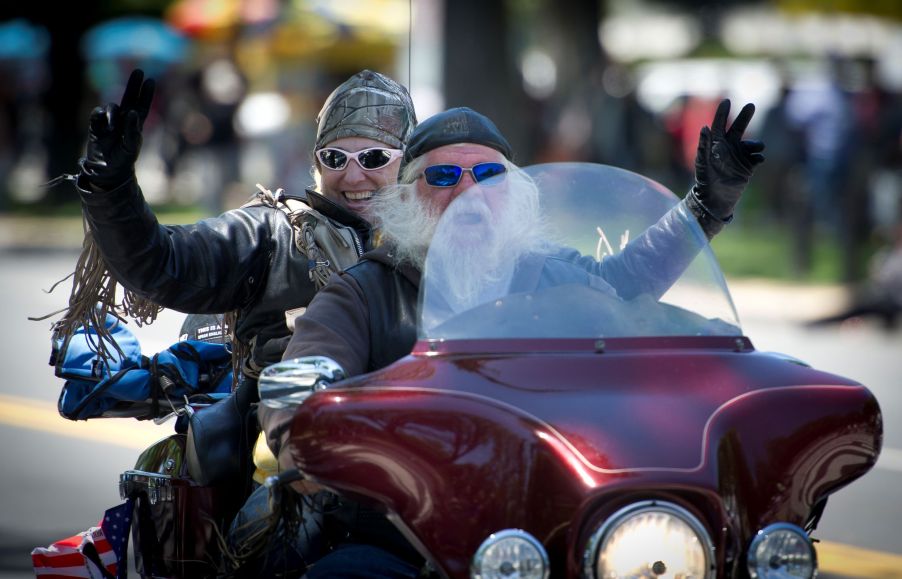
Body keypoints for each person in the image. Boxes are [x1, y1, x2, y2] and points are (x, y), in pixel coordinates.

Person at [259, 102, 764, 576]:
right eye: (442, 176)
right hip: (405, 530)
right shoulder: (366, 292)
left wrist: (720, 351)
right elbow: (301, 378)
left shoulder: (553, 277)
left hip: (551, 513)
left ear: (516, 192)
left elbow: (627, 296)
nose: (468, 192)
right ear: (409, 196)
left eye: (488, 174)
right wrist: (304, 428)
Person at [58, 67, 417, 575]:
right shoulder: (272, 233)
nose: (354, 177)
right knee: (271, 544)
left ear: (410, 163)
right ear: (315, 162)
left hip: (421, 459)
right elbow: (161, 262)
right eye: (335, 158)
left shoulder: (438, 243)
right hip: (292, 470)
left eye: (375, 158)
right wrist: (111, 188)